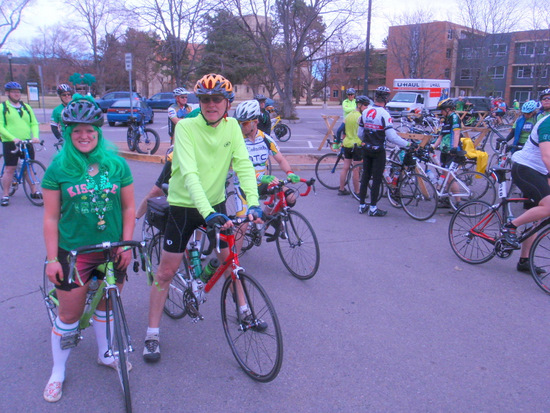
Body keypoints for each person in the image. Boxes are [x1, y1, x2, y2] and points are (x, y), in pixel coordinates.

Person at [143, 74, 262, 363]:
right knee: (165, 272)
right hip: (185, 206)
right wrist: (207, 213)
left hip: (215, 203)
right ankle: (152, 334)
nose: (211, 104)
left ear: (227, 103)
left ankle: (244, 312)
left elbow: (243, 165)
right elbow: (190, 174)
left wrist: (254, 203)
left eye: (217, 99)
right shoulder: (185, 127)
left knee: (230, 258)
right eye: (205, 99)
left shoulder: (233, 127)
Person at [41, 95, 135, 403]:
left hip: (111, 249)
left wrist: (127, 244)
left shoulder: (116, 164)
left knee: (107, 306)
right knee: (69, 314)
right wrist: (53, 259)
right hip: (73, 253)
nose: (84, 136)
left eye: (90, 131)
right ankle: (58, 371)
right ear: (68, 133)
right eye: (77, 131)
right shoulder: (58, 169)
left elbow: (130, 207)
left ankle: (106, 354)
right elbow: (51, 217)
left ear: (99, 132)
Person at [232, 99, 300, 245]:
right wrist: (260, 177)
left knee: (291, 197)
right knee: (242, 227)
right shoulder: (237, 141)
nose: (240, 126)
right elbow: (236, 168)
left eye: (244, 123)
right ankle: (234, 265)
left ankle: (268, 218)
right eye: (239, 122)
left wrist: (289, 172)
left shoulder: (265, 139)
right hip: (243, 186)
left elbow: (280, 160)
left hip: (262, 183)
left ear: (255, 121)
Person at [501, 108, 550, 274]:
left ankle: (524, 260)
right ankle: (510, 227)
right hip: (526, 168)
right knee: (548, 206)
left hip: (541, 172)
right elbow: (547, 156)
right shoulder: (547, 123)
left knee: (536, 217)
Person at [357, 86, 412, 216]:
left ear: (375, 97)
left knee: (365, 177)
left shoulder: (366, 112)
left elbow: (360, 134)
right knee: (376, 179)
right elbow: (392, 137)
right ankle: (373, 208)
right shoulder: (385, 114)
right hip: (378, 150)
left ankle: (362, 205)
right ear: (386, 99)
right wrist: (408, 144)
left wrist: (367, 140)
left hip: (367, 148)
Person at [0, 81, 41, 206]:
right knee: (10, 168)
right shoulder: (3, 107)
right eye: (13, 92)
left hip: (26, 141)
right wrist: (12, 138)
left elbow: (34, 123)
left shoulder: (26, 107)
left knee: (28, 166)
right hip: (11, 142)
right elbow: (1, 126)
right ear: (8, 93)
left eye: (18, 92)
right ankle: (5, 194)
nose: (16, 94)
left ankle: (34, 191)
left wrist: (36, 137)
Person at [337, 95, 370, 196]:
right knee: (356, 169)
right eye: (365, 105)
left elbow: (339, 130)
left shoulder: (349, 115)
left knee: (345, 167)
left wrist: (338, 141)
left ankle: (341, 189)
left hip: (347, 143)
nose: (367, 107)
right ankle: (357, 192)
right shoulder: (361, 117)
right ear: (359, 105)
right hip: (357, 145)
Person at [433, 98, 462, 167]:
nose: (441, 112)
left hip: (451, 150)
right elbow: (441, 136)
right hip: (444, 150)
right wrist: (433, 147)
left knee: (448, 174)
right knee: (444, 171)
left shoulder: (454, 117)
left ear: (448, 109)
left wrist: (454, 148)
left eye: (442, 110)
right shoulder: (446, 119)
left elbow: (456, 133)